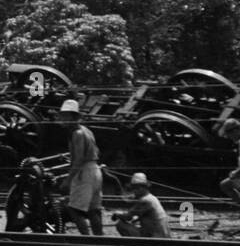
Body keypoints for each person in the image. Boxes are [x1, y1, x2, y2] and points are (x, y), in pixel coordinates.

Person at [59, 99, 104, 235]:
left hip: (85, 173)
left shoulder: (77, 133)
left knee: (74, 209)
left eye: (67, 116)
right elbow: (94, 152)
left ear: (74, 117)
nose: (64, 119)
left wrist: (67, 180)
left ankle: (86, 239)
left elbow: (78, 161)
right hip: (95, 170)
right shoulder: (87, 131)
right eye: (63, 115)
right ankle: (99, 240)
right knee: (93, 209)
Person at [112, 172, 171, 238]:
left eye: (135, 188)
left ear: (141, 188)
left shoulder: (144, 201)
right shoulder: (152, 197)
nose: (134, 191)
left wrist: (116, 214)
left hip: (155, 237)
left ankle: (137, 245)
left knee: (120, 224)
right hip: (162, 234)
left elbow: (128, 217)